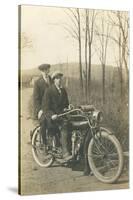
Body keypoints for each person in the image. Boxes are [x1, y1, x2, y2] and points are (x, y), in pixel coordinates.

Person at [43, 71, 72, 160]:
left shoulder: (63, 90)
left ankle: (73, 149)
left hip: (62, 115)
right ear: (54, 80)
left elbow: (66, 104)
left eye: (60, 78)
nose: (59, 80)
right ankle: (65, 152)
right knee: (64, 125)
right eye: (57, 78)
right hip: (53, 117)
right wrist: (52, 115)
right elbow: (46, 107)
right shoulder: (49, 91)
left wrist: (69, 106)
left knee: (73, 123)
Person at [33, 63, 51, 147]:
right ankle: (44, 144)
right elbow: (36, 99)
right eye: (44, 71)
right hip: (42, 109)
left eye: (47, 70)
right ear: (41, 72)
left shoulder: (51, 80)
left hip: (51, 108)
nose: (46, 72)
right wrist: (39, 110)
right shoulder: (37, 82)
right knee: (44, 122)